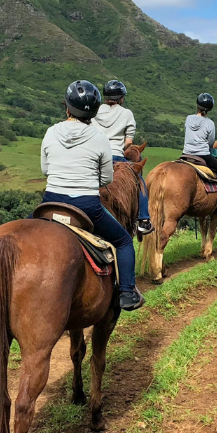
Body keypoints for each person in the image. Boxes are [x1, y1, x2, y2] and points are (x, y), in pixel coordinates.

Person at [40, 80, 144, 311]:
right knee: (125, 242)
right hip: (86, 207)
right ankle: (127, 293)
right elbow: (107, 179)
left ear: (67, 107)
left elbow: (45, 170)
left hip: (49, 203)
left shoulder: (50, 132)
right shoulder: (99, 138)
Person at [93, 80, 153, 235]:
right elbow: (129, 142)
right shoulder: (126, 113)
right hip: (117, 157)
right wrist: (122, 147)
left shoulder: (95, 111)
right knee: (139, 182)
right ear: (121, 98)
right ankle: (144, 220)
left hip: (95, 157)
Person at [183, 93, 217, 213]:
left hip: (186, 155)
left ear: (197, 105)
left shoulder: (188, 118)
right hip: (203, 155)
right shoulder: (210, 123)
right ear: (210, 109)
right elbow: (211, 142)